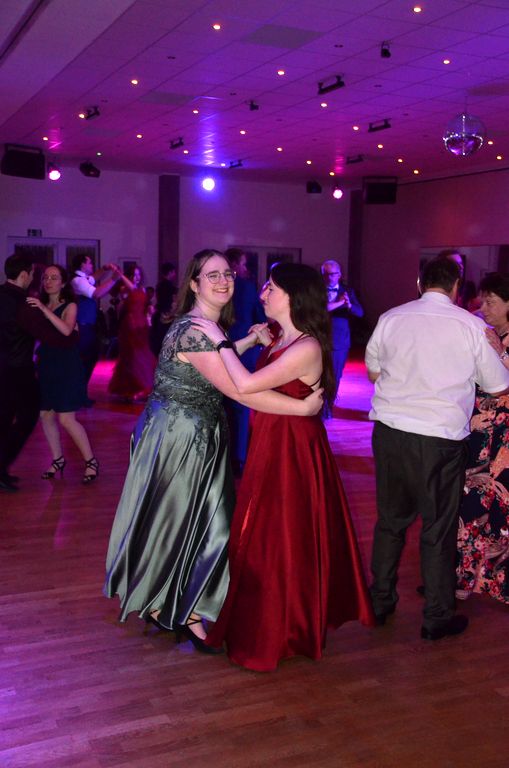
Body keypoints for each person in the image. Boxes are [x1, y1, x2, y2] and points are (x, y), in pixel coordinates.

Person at [104, 250, 323, 654]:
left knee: (181, 519)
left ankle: (163, 602)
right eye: (212, 275)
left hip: (189, 430)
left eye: (227, 274)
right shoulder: (197, 330)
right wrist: (304, 408)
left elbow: (209, 363)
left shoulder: (203, 327)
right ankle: (186, 611)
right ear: (194, 284)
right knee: (195, 521)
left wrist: (245, 341)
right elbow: (238, 389)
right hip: (181, 436)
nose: (223, 281)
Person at [194, 262, 375, 671]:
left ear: (293, 296)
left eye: (270, 288)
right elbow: (247, 395)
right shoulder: (281, 338)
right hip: (273, 440)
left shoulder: (306, 347)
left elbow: (243, 386)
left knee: (282, 538)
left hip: (292, 450)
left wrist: (220, 343)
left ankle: (283, 629)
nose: (262, 294)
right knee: (265, 535)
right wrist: (293, 399)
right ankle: (270, 621)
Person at [365, 256, 509, 641]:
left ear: (419, 283)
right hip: (439, 440)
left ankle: (379, 601)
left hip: (391, 433)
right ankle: (437, 617)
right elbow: (498, 386)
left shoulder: (391, 318)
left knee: (390, 522)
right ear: (457, 287)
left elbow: (374, 371)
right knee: (438, 528)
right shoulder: (471, 326)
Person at [0, 254, 76, 492]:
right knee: (27, 417)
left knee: (4, 419)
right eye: (34, 274)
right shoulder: (25, 305)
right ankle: (1, 466)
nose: (35, 279)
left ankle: (1, 470)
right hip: (18, 372)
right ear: (24, 275)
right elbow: (52, 336)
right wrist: (73, 335)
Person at [456, 272, 509, 604]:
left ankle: (494, 581)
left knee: (500, 509)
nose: (484, 308)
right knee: (470, 502)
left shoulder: (499, 341)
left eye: (491, 302)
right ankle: (463, 576)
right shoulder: (487, 334)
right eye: (483, 301)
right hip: (480, 435)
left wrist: (501, 354)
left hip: (504, 440)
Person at [26, 265, 99, 484]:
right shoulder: (40, 305)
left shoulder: (70, 305)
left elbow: (66, 330)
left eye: (54, 277)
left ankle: (91, 461)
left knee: (66, 419)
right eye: (46, 277)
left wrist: (43, 309)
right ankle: (58, 459)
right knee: (46, 415)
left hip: (66, 366)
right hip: (47, 365)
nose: (48, 281)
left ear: (63, 282)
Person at [224, 247, 266, 476]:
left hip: (217, 348)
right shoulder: (247, 287)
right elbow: (260, 317)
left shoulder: (215, 286)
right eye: (242, 263)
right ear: (234, 264)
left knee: (220, 404)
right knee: (240, 406)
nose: (244, 268)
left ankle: (220, 455)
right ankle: (238, 458)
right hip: (244, 351)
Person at [71, 254, 121, 405]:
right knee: (84, 361)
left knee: (89, 359)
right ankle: (78, 396)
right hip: (82, 326)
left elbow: (94, 278)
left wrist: (105, 269)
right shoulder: (77, 281)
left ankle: (80, 394)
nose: (92, 265)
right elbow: (97, 293)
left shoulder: (84, 279)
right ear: (82, 265)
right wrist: (113, 279)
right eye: (89, 263)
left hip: (88, 326)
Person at [321, 259, 363, 417]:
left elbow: (360, 313)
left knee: (335, 376)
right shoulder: (317, 290)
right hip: (319, 339)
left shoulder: (348, 291)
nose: (329, 277)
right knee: (318, 375)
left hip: (339, 342)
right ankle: (317, 406)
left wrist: (349, 305)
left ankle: (327, 408)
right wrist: (339, 303)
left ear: (339, 275)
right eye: (326, 274)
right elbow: (320, 309)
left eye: (333, 274)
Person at [108, 265, 157, 402]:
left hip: (141, 324)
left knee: (143, 354)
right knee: (132, 356)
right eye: (134, 275)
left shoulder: (142, 289)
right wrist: (119, 274)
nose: (137, 277)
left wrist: (149, 310)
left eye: (138, 274)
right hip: (130, 325)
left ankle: (143, 388)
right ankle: (135, 388)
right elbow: (126, 301)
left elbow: (145, 305)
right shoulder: (125, 289)